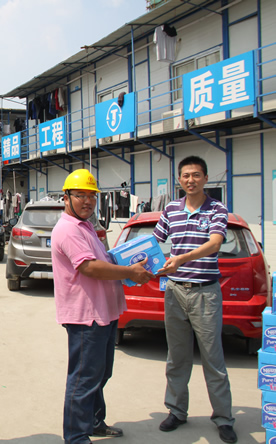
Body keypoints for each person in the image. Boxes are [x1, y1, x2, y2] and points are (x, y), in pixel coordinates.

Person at [51, 169, 154, 444]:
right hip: (86, 317)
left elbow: (104, 260)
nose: (87, 201)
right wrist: (130, 272)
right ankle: (76, 437)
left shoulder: (85, 227)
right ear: (66, 197)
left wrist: (129, 262)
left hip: (104, 313)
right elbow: (90, 268)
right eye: (80, 195)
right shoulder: (68, 229)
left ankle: (94, 421)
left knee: (100, 373)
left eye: (91, 196)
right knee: (84, 378)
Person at [153, 156, 237, 444]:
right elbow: (154, 241)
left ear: (205, 178)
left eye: (196, 175)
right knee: (177, 357)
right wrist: (129, 261)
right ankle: (177, 411)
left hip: (205, 293)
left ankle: (223, 418)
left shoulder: (217, 209)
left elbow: (214, 243)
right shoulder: (171, 210)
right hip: (175, 291)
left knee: (213, 359)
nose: (191, 180)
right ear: (179, 180)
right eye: (186, 175)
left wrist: (181, 259)